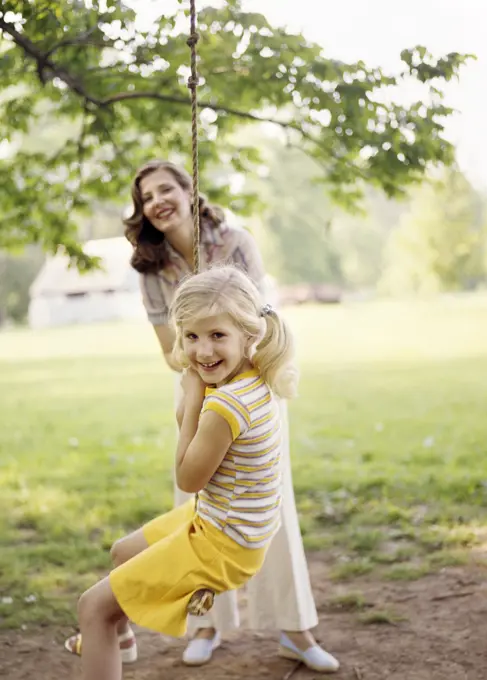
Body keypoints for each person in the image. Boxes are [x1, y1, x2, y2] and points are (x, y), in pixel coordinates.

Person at [65, 160, 339, 673]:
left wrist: (199, 389)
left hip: (237, 386)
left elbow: (253, 320)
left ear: (191, 190)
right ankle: (195, 626)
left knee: (260, 506)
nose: (157, 201)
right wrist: (198, 362)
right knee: (134, 547)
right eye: (146, 196)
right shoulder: (150, 265)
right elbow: (173, 348)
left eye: (166, 188)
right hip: (216, 381)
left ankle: (295, 629)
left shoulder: (235, 241)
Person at [74, 265, 297, 680]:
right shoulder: (256, 374)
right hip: (228, 522)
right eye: (191, 336)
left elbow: (188, 479)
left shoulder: (224, 406)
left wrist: (190, 402)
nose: (203, 352)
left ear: (249, 335)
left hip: (224, 542)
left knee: (93, 607)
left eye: (217, 336)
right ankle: (119, 637)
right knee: (124, 553)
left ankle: (105, 628)